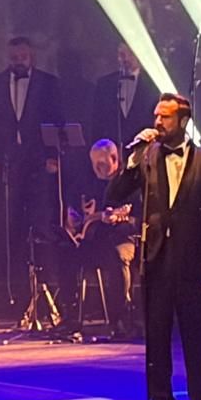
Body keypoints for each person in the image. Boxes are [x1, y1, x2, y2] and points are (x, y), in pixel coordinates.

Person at [109, 93, 201, 400]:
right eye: (156, 115)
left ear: (181, 122)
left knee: (196, 343)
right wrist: (132, 159)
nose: (158, 122)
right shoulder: (146, 157)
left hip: (193, 266)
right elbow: (114, 196)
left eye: (165, 117)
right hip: (155, 265)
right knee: (156, 344)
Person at [0, 36, 65, 288]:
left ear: (32, 56)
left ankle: (47, 277)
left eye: (23, 57)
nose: (18, 62)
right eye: (14, 58)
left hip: (40, 160)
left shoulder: (48, 83)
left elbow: (58, 121)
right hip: (9, 160)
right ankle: (13, 278)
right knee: (11, 220)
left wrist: (53, 156)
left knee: (41, 218)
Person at [67, 140, 138, 338]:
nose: (97, 169)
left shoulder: (130, 182)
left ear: (114, 159)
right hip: (94, 240)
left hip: (124, 238)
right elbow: (76, 208)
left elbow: (139, 218)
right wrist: (73, 217)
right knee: (64, 250)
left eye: (102, 164)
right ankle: (69, 316)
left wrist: (118, 218)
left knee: (117, 257)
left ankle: (120, 319)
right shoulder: (89, 182)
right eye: (94, 164)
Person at [90, 43, 160, 149]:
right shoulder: (104, 84)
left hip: (143, 151)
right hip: (111, 154)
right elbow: (97, 122)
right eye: (122, 54)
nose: (126, 59)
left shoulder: (154, 85)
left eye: (130, 54)